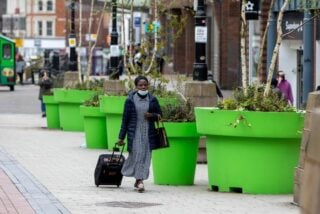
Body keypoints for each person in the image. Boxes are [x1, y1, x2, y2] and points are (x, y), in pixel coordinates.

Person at [117, 76, 162, 193]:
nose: (143, 87)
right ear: (136, 86)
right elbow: (125, 120)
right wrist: (121, 137)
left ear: (148, 86)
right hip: (135, 132)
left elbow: (160, 116)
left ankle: (139, 180)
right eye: (140, 85)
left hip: (148, 133)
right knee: (138, 154)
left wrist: (151, 116)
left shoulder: (153, 100)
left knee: (146, 156)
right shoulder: (130, 100)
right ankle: (139, 179)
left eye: (145, 85)